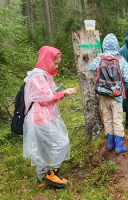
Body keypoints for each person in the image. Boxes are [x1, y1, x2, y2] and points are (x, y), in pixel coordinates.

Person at [23, 46, 77, 189]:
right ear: (47, 60)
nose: (56, 66)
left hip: (41, 117)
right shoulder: (38, 77)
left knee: (43, 149)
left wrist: (64, 91)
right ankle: (52, 173)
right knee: (62, 142)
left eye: (58, 63)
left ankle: (41, 177)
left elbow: (50, 93)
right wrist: (63, 93)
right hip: (39, 118)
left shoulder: (44, 76)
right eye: (55, 63)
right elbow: (45, 98)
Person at [89, 33, 128, 153]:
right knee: (117, 119)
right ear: (117, 46)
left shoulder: (101, 58)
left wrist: (99, 57)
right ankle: (119, 146)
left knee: (107, 119)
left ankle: (110, 143)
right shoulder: (120, 59)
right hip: (117, 97)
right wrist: (123, 87)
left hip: (103, 95)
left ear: (104, 45)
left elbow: (91, 68)